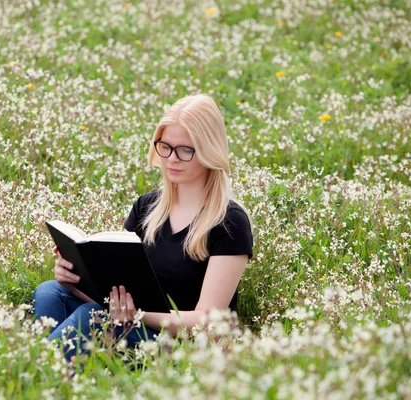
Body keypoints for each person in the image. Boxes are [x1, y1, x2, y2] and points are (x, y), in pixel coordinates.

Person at [32, 94, 253, 362]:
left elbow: (207, 321)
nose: (172, 158)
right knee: (50, 291)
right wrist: (75, 278)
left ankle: (35, 372)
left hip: (180, 345)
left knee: (90, 318)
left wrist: (137, 314)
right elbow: (112, 290)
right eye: (165, 146)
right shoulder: (147, 207)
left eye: (186, 150)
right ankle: (63, 372)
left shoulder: (229, 222)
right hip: (130, 323)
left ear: (209, 151)